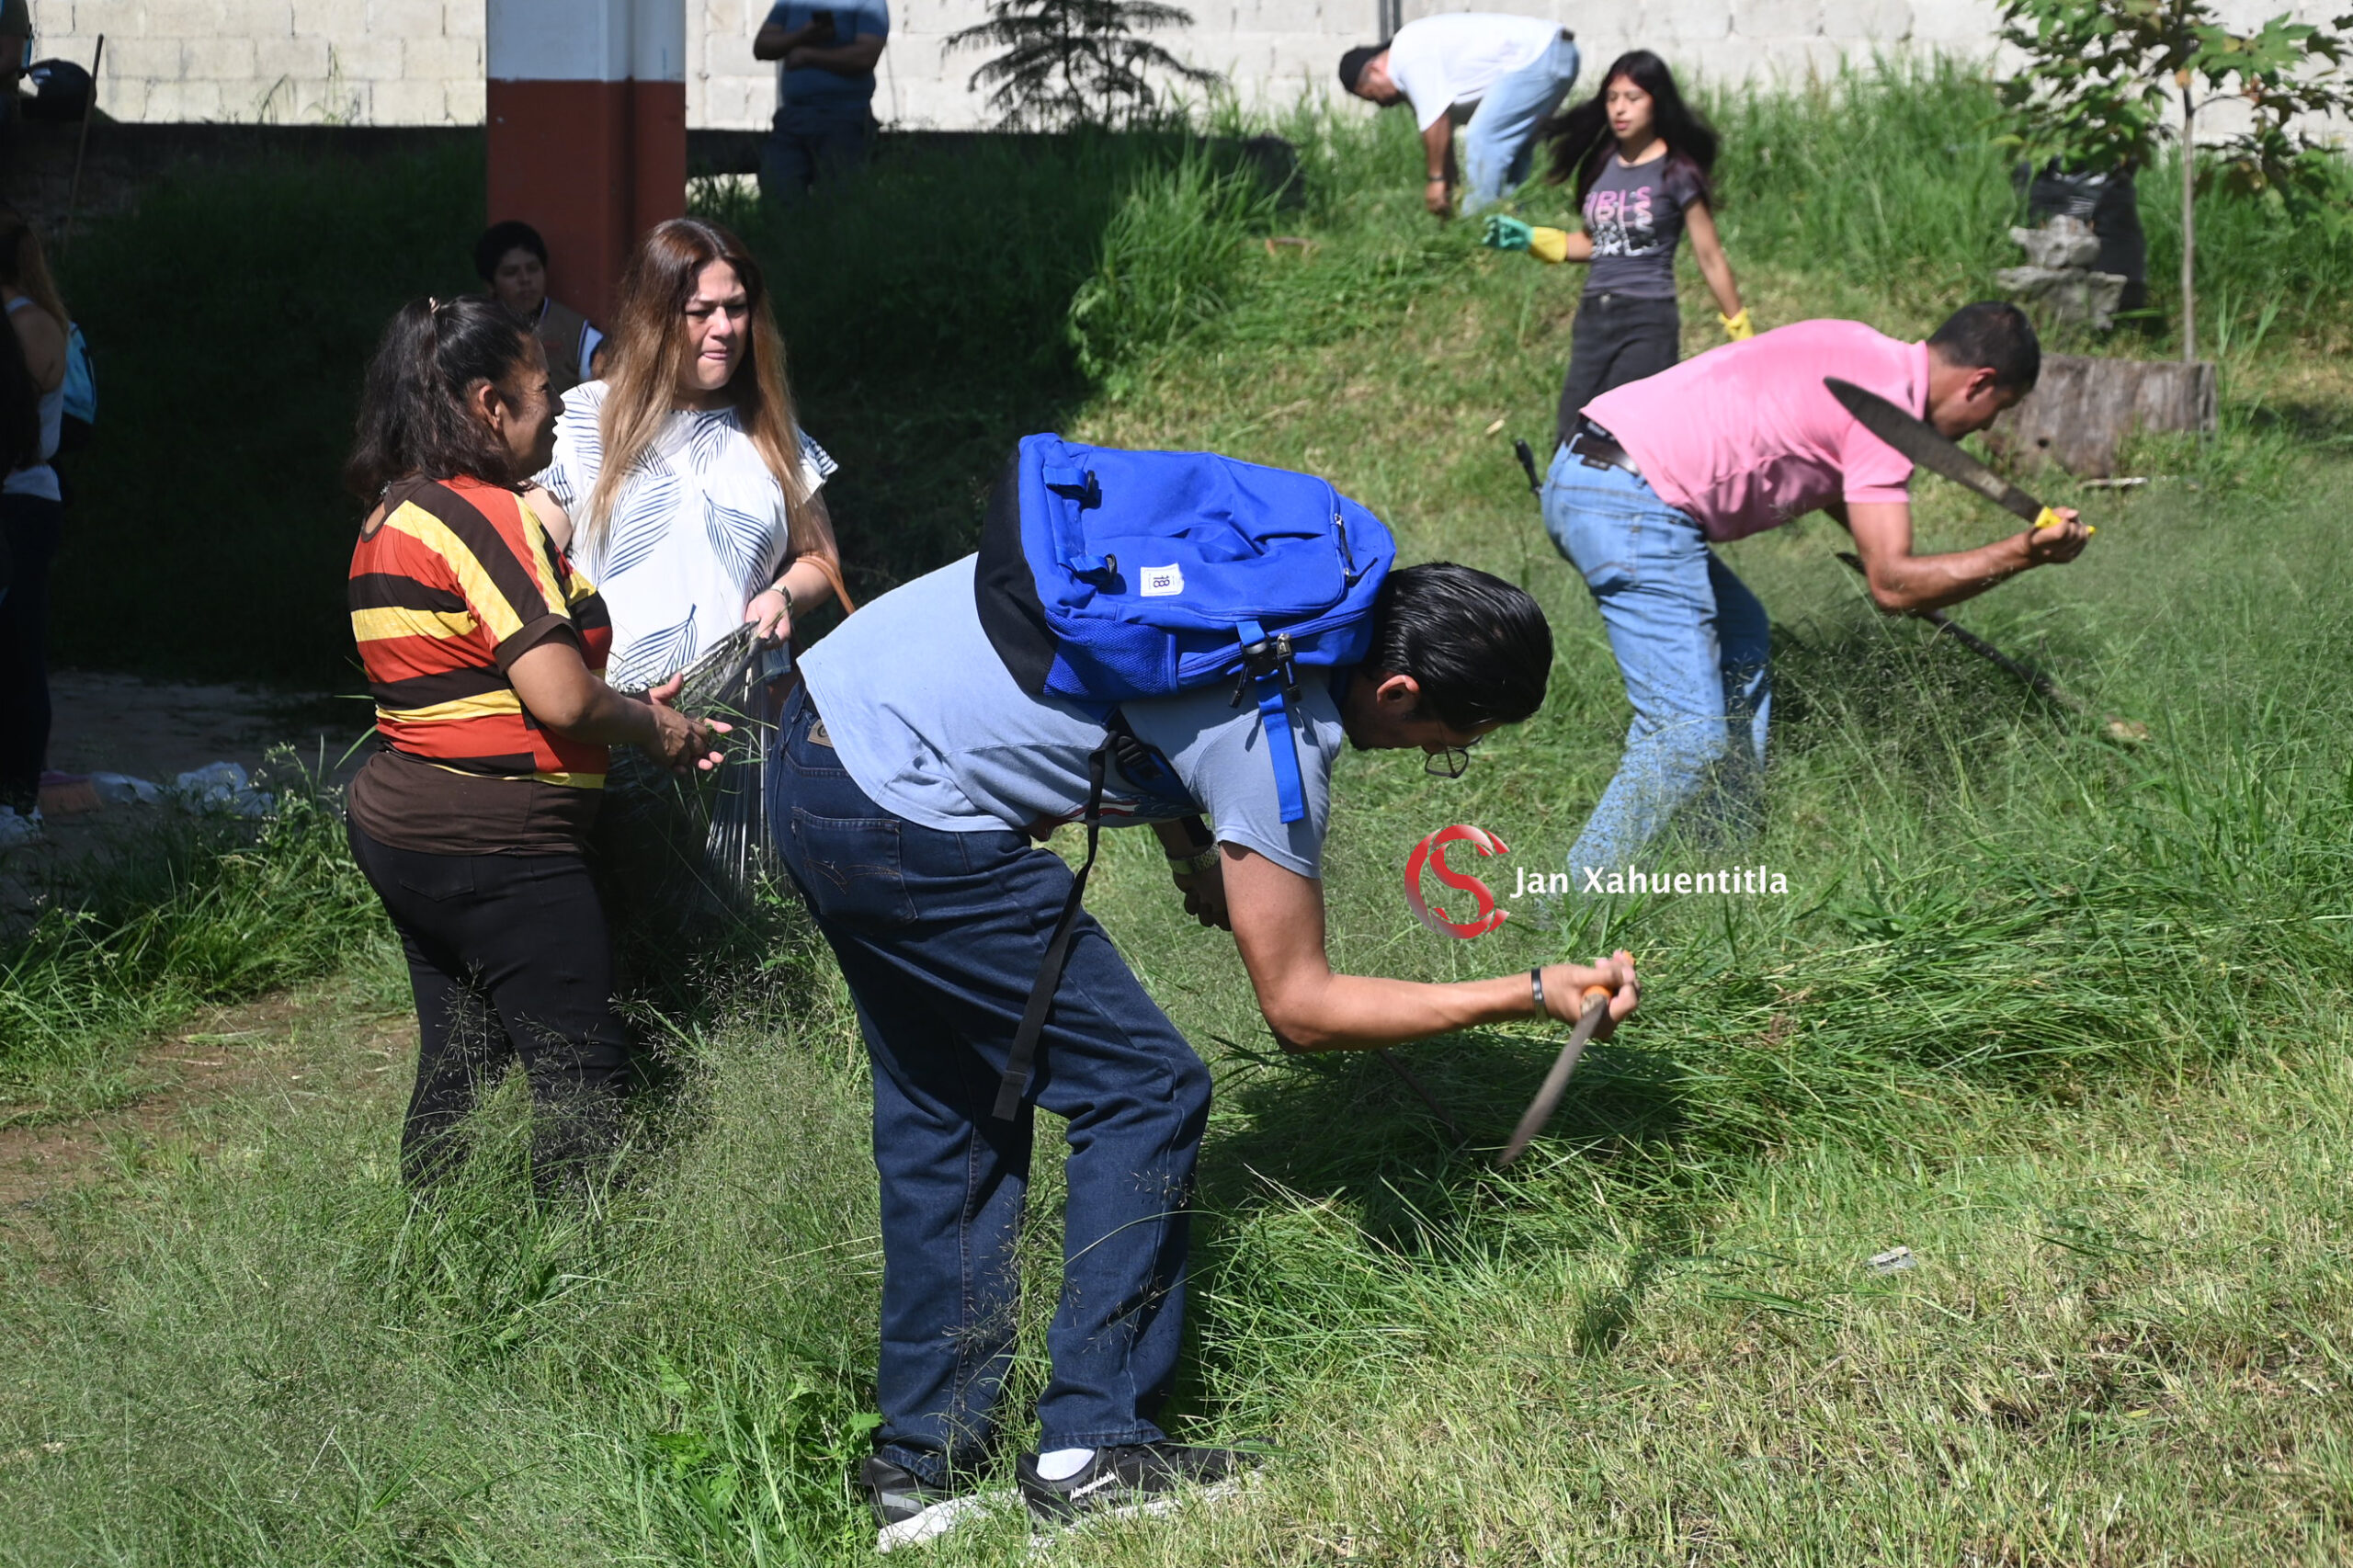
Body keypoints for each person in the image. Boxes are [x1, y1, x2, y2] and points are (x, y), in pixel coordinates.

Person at [773, 534, 1640, 1547]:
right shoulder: (1279, 725)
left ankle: (923, 1466)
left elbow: (1133, 682)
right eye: (1447, 741)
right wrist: (1529, 990)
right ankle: (1093, 1450)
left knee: (953, 1104)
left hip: (818, 745)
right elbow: (1303, 1009)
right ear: (1399, 689)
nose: (1432, 758)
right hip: (911, 809)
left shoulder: (1255, 599)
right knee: (1146, 1088)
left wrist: (1189, 848)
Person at [343, 295, 727, 1188]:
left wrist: (614, 702)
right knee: (581, 1078)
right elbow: (557, 698)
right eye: (543, 388)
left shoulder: (395, 512)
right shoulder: (485, 513)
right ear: (490, 404)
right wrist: (651, 725)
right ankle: (580, 1261)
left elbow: (476, 677)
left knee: (462, 1065)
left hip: (411, 828)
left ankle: (432, 1252)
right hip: (499, 844)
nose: (556, 408)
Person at [1541, 302, 2092, 883]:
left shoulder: (1856, 343)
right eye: (1997, 410)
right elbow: (1893, 587)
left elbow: (1819, 461)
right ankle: (1562, 912)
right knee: (1684, 736)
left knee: (1741, 634)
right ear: (1979, 383)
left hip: (1589, 469)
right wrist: (2023, 553)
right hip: (1632, 505)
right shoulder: (1886, 416)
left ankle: (1718, 863)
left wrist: (1898, 561)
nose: (1984, 429)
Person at [532, 216, 846, 696]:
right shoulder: (585, 418)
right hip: (618, 720)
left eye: (736, 307)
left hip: (750, 723)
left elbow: (821, 559)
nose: (725, 328)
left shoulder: (772, 428)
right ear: (653, 317)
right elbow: (528, 567)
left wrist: (784, 595)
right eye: (701, 311)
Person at [1482, 51, 1750, 445]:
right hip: (1594, 316)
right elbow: (1596, 243)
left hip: (1648, 315)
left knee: (1628, 436)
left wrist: (1740, 329)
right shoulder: (1602, 165)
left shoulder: (1677, 172)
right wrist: (1532, 239)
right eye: (1612, 98)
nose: (1620, 109)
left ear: (1656, 103)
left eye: (1633, 98)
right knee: (1572, 436)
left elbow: (1710, 257)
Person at [1339, 13, 1580, 217]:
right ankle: (1516, 225)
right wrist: (1450, 187)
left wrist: (1436, 181)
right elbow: (1442, 136)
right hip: (1559, 54)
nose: (1381, 105)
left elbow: (1436, 122)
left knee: (1482, 138)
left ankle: (1479, 230)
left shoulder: (1405, 56)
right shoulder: (1415, 62)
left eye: (1373, 95)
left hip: (1539, 56)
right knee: (1514, 150)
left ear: (1374, 70)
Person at [0, 215, 66, 842]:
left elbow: (18, 429)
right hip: (24, 496)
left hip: (21, 499)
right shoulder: (33, 319)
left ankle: (21, 794)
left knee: (20, 647)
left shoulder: (27, 324)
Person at [755, 0, 889, 202]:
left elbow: (865, 56)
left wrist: (808, 56)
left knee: (839, 202)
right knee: (778, 193)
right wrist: (802, 36)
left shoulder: (868, 3)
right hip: (792, 118)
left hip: (844, 118)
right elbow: (762, 46)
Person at [473, 220, 607, 396]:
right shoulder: (474, 333)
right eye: (511, 272)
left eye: (533, 269)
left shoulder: (580, 335)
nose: (525, 279)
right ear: (490, 284)